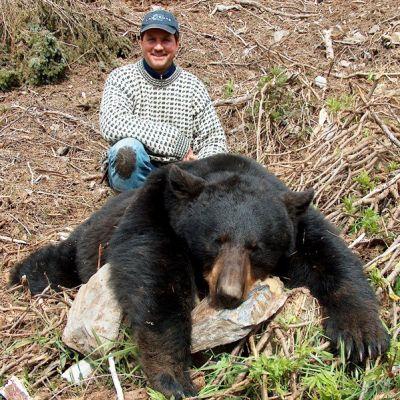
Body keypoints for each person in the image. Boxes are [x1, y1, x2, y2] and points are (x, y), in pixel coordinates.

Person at [99, 9, 228, 192]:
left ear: (177, 43)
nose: (158, 47)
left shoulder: (193, 87)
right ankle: (132, 210)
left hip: (179, 177)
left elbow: (214, 139)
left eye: (166, 40)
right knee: (127, 150)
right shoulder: (122, 78)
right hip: (135, 175)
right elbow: (113, 123)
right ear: (141, 42)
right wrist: (175, 142)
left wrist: (199, 166)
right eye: (152, 39)